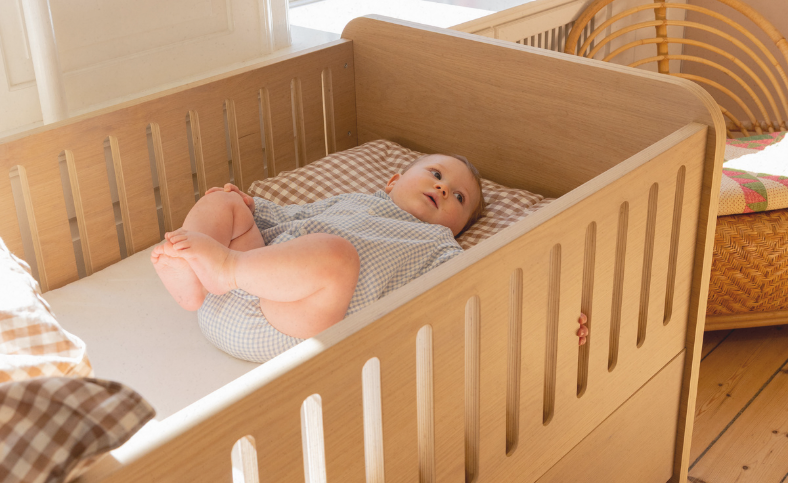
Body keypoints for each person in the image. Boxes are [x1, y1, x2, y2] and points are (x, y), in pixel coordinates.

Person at [151, 153, 589, 361]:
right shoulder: (355, 200)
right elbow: (289, 216)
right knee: (223, 201)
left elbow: (484, 299)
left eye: (458, 196)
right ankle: (188, 273)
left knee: (335, 256)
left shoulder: (440, 250)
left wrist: (550, 319)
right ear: (393, 180)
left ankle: (222, 266)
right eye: (435, 174)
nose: (441, 188)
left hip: (289, 321)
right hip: (233, 289)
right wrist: (248, 208)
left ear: (459, 228)